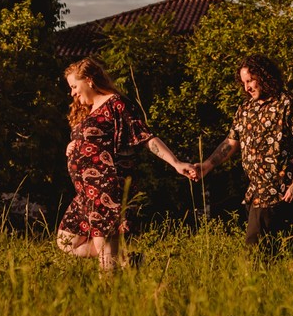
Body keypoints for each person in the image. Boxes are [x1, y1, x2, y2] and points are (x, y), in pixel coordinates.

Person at [56, 57, 196, 269]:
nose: (73, 93)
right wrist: (73, 146)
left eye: (75, 86)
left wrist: (175, 163)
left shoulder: (116, 103)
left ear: (89, 80)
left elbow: (145, 136)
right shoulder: (89, 110)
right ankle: (126, 261)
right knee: (65, 241)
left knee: (106, 261)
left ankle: (112, 290)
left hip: (106, 189)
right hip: (85, 192)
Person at [194, 54, 293, 247]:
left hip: (280, 191)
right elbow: (231, 142)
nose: (247, 87)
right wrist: (206, 166)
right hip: (255, 193)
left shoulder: (289, 104)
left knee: (255, 250)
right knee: (283, 251)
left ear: (264, 76)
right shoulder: (245, 108)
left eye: (250, 81)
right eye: (243, 83)